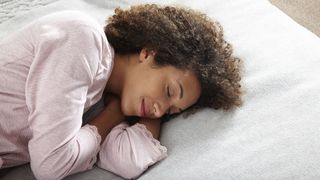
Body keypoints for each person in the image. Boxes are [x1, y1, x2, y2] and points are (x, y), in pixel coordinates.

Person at [0, 4, 242, 180]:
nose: (160, 110)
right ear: (149, 53)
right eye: (169, 91)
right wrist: (113, 114)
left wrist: (118, 113)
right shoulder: (83, 41)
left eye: (171, 111)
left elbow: (127, 160)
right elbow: (51, 165)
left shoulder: (103, 100)